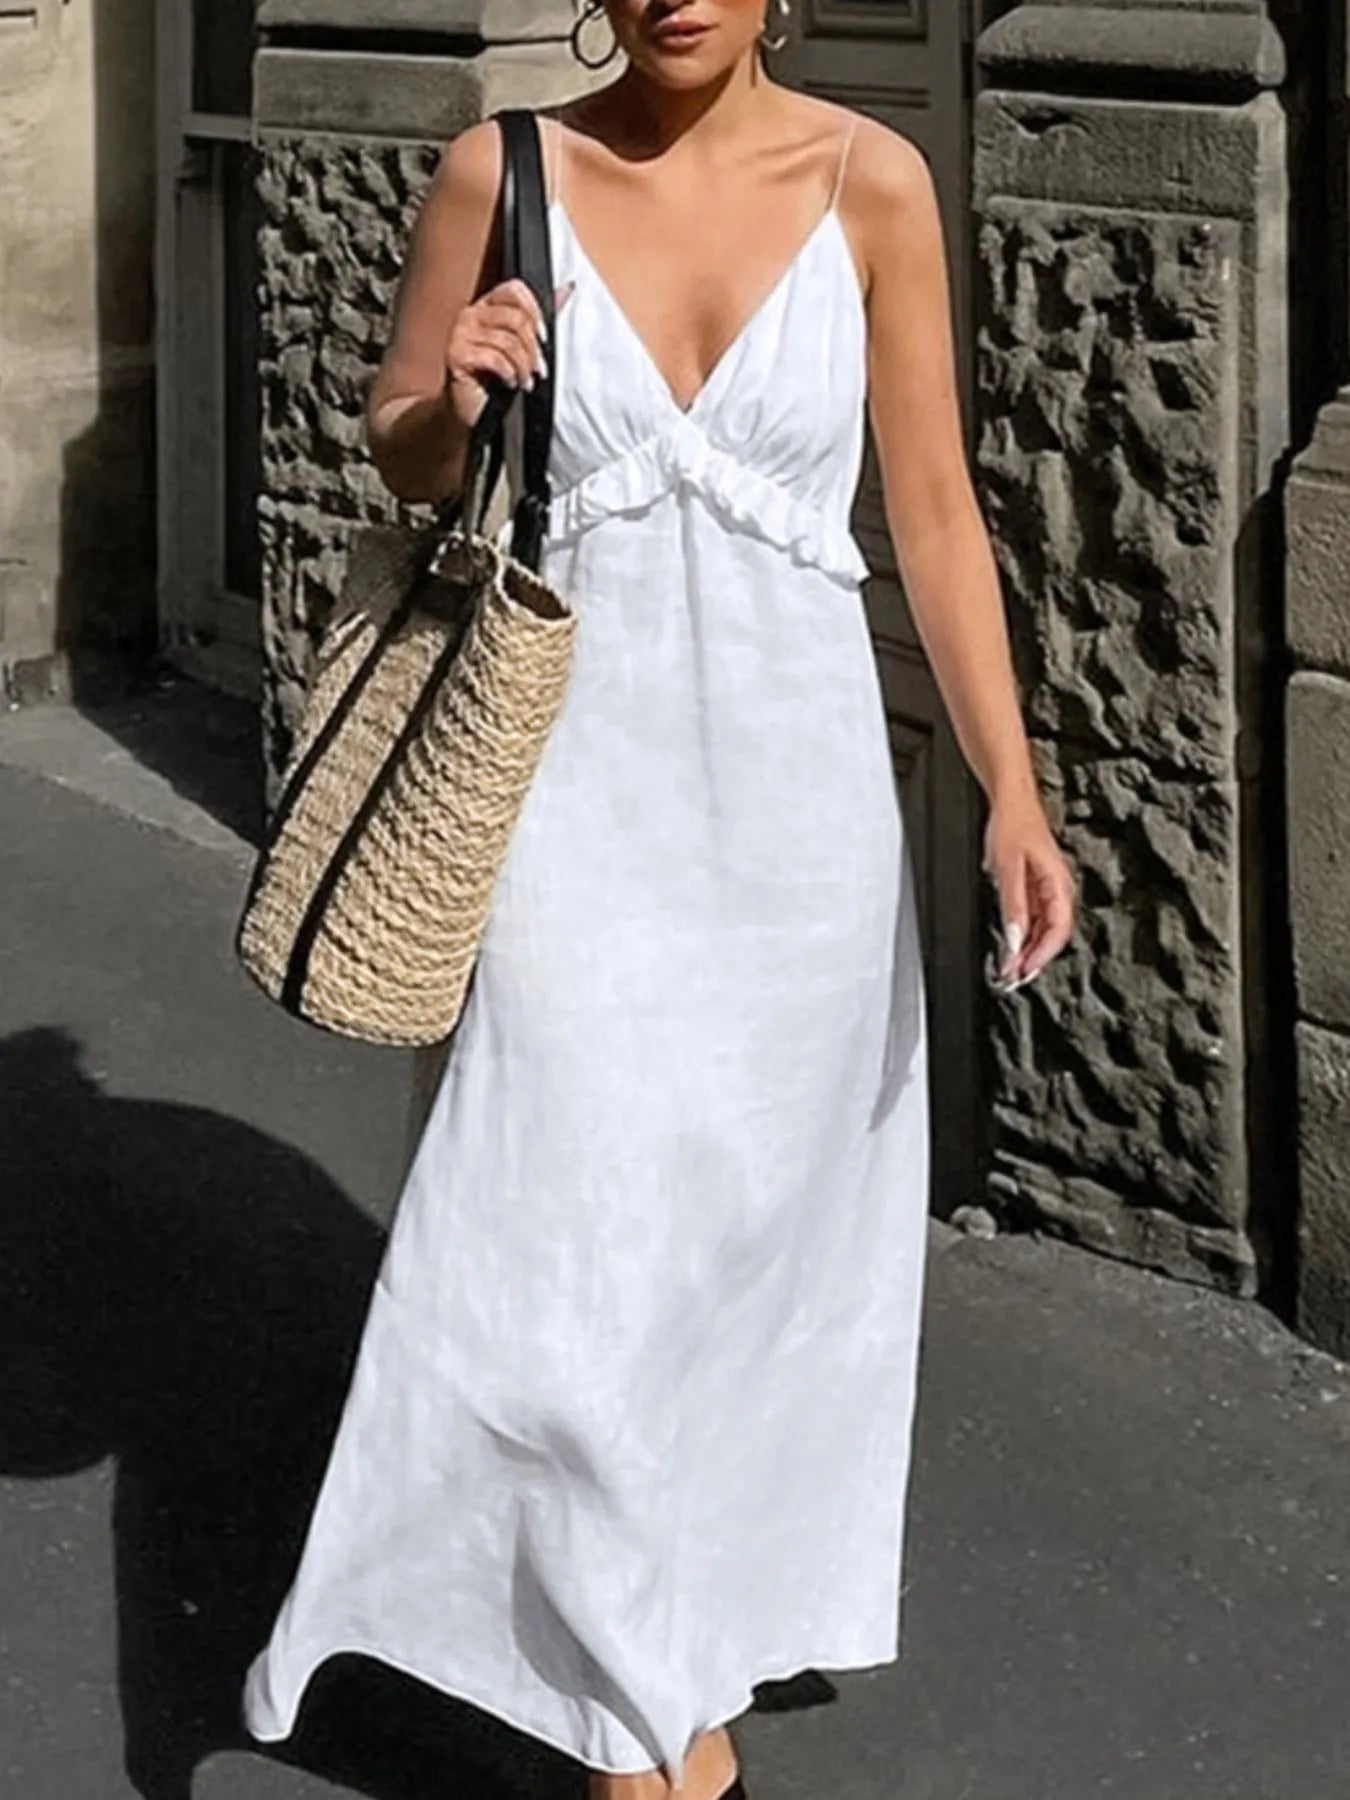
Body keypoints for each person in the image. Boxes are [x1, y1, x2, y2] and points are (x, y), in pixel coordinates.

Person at [240, 4, 1078, 1798]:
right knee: (560, 1243)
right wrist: (451, 401)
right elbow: (399, 445)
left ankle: (675, 1627)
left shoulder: (874, 183)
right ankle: (654, 1739)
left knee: (739, 1263)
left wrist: (1010, 788)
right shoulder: (502, 166)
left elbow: (935, 511)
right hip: (561, 803)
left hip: (795, 826)